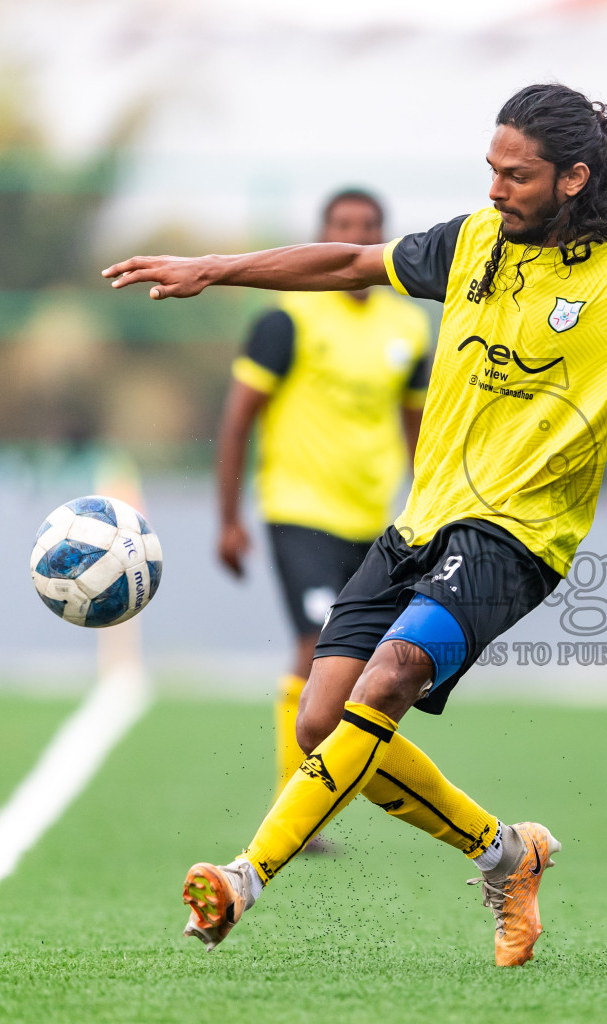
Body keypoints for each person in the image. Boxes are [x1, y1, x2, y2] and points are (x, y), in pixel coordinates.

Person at [104, 82, 607, 967]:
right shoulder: (472, 241)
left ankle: (244, 878)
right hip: (419, 525)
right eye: (492, 170)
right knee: (322, 724)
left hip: (515, 537)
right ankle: (506, 852)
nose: (498, 189)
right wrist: (213, 267)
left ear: (575, 178)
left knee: (386, 679)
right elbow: (349, 265)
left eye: (519, 176)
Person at [216, 189, 431, 825]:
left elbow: (417, 429)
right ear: (324, 235)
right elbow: (235, 422)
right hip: (297, 508)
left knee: (357, 663)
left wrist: (432, 511)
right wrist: (228, 520)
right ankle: (295, 807)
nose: (355, 235)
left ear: (382, 237)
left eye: (368, 228)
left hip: (375, 521)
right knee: (313, 646)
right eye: (343, 227)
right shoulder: (287, 320)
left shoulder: (409, 327)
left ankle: (322, 788)